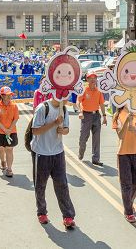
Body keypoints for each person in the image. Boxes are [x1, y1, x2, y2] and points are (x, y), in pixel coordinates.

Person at [31, 96, 75, 229]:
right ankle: (42, 212)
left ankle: (68, 216)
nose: (68, 98)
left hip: (58, 153)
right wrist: (54, 123)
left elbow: (66, 129)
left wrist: (63, 130)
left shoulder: (64, 110)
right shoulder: (42, 108)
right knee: (40, 185)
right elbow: (35, 130)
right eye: (66, 95)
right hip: (41, 153)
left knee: (62, 185)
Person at [112, 106, 136, 223]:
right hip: (123, 154)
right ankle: (128, 211)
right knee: (126, 184)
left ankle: (129, 203)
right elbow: (120, 135)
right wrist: (127, 120)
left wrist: (135, 130)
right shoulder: (117, 115)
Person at [77, 71, 107, 166]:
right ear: (88, 79)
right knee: (83, 138)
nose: (93, 80)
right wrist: (80, 111)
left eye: (94, 78)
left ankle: (96, 159)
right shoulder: (84, 90)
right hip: (86, 116)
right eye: (91, 78)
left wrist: (104, 116)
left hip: (96, 116)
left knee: (96, 138)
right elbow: (79, 102)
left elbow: (101, 104)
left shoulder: (98, 92)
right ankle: (81, 153)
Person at [0, 86, 19, 177]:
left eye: (10, 95)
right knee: (1, 148)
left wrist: (9, 130)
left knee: (9, 149)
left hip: (11, 131)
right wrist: (5, 130)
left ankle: (9, 168)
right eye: (6, 95)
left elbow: (15, 119)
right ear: (2, 96)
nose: (9, 97)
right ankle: (3, 161)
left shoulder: (14, 106)